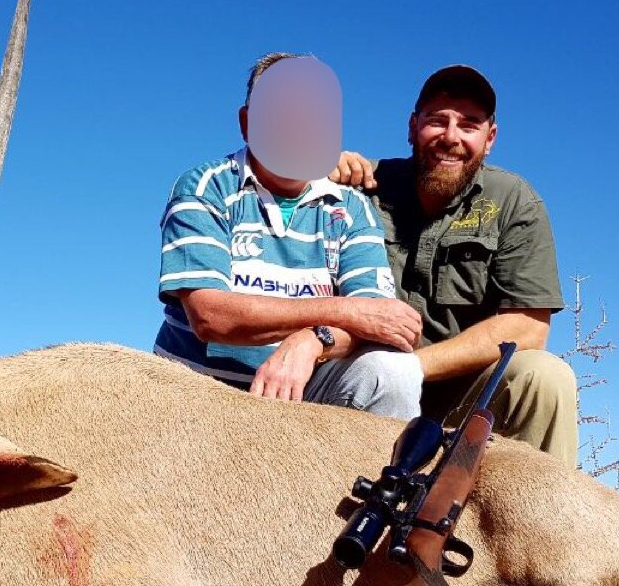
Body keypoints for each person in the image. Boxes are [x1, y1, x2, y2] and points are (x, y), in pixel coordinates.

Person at [154, 53, 425, 419]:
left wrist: (314, 340)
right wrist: (347, 311)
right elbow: (210, 317)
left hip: (304, 391)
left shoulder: (354, 209)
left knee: (394, 371)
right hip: (199, 394)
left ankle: (389, 477)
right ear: (247, 123)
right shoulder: (206, 187)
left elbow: (379, 324)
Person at [331, 65, 578, 465]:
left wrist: (408, 369)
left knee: (544, 377)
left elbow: (529, 327)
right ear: (413, 127)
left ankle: (543, 521)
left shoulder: (514, 201)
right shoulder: (360, 185)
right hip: (358, 380)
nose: (451, 137)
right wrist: (317, 170)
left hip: (459, 402)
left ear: (490, 138)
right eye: (437, 120)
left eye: (469, 124)